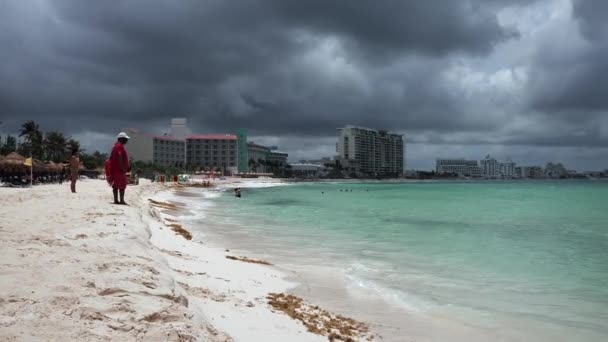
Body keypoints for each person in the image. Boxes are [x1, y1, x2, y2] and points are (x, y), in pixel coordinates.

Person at [110, 132, 130, 205]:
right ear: (121, 139)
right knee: (122, 185)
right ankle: (121, 200)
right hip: (119, 170)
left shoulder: (114, 146)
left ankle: (116, 200)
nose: (126, 141)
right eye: (125, 139)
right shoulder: (119, 146)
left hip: (115, 169)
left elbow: (111, 158)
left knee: (115, 185)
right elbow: (120, 158)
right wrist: (123, 168)